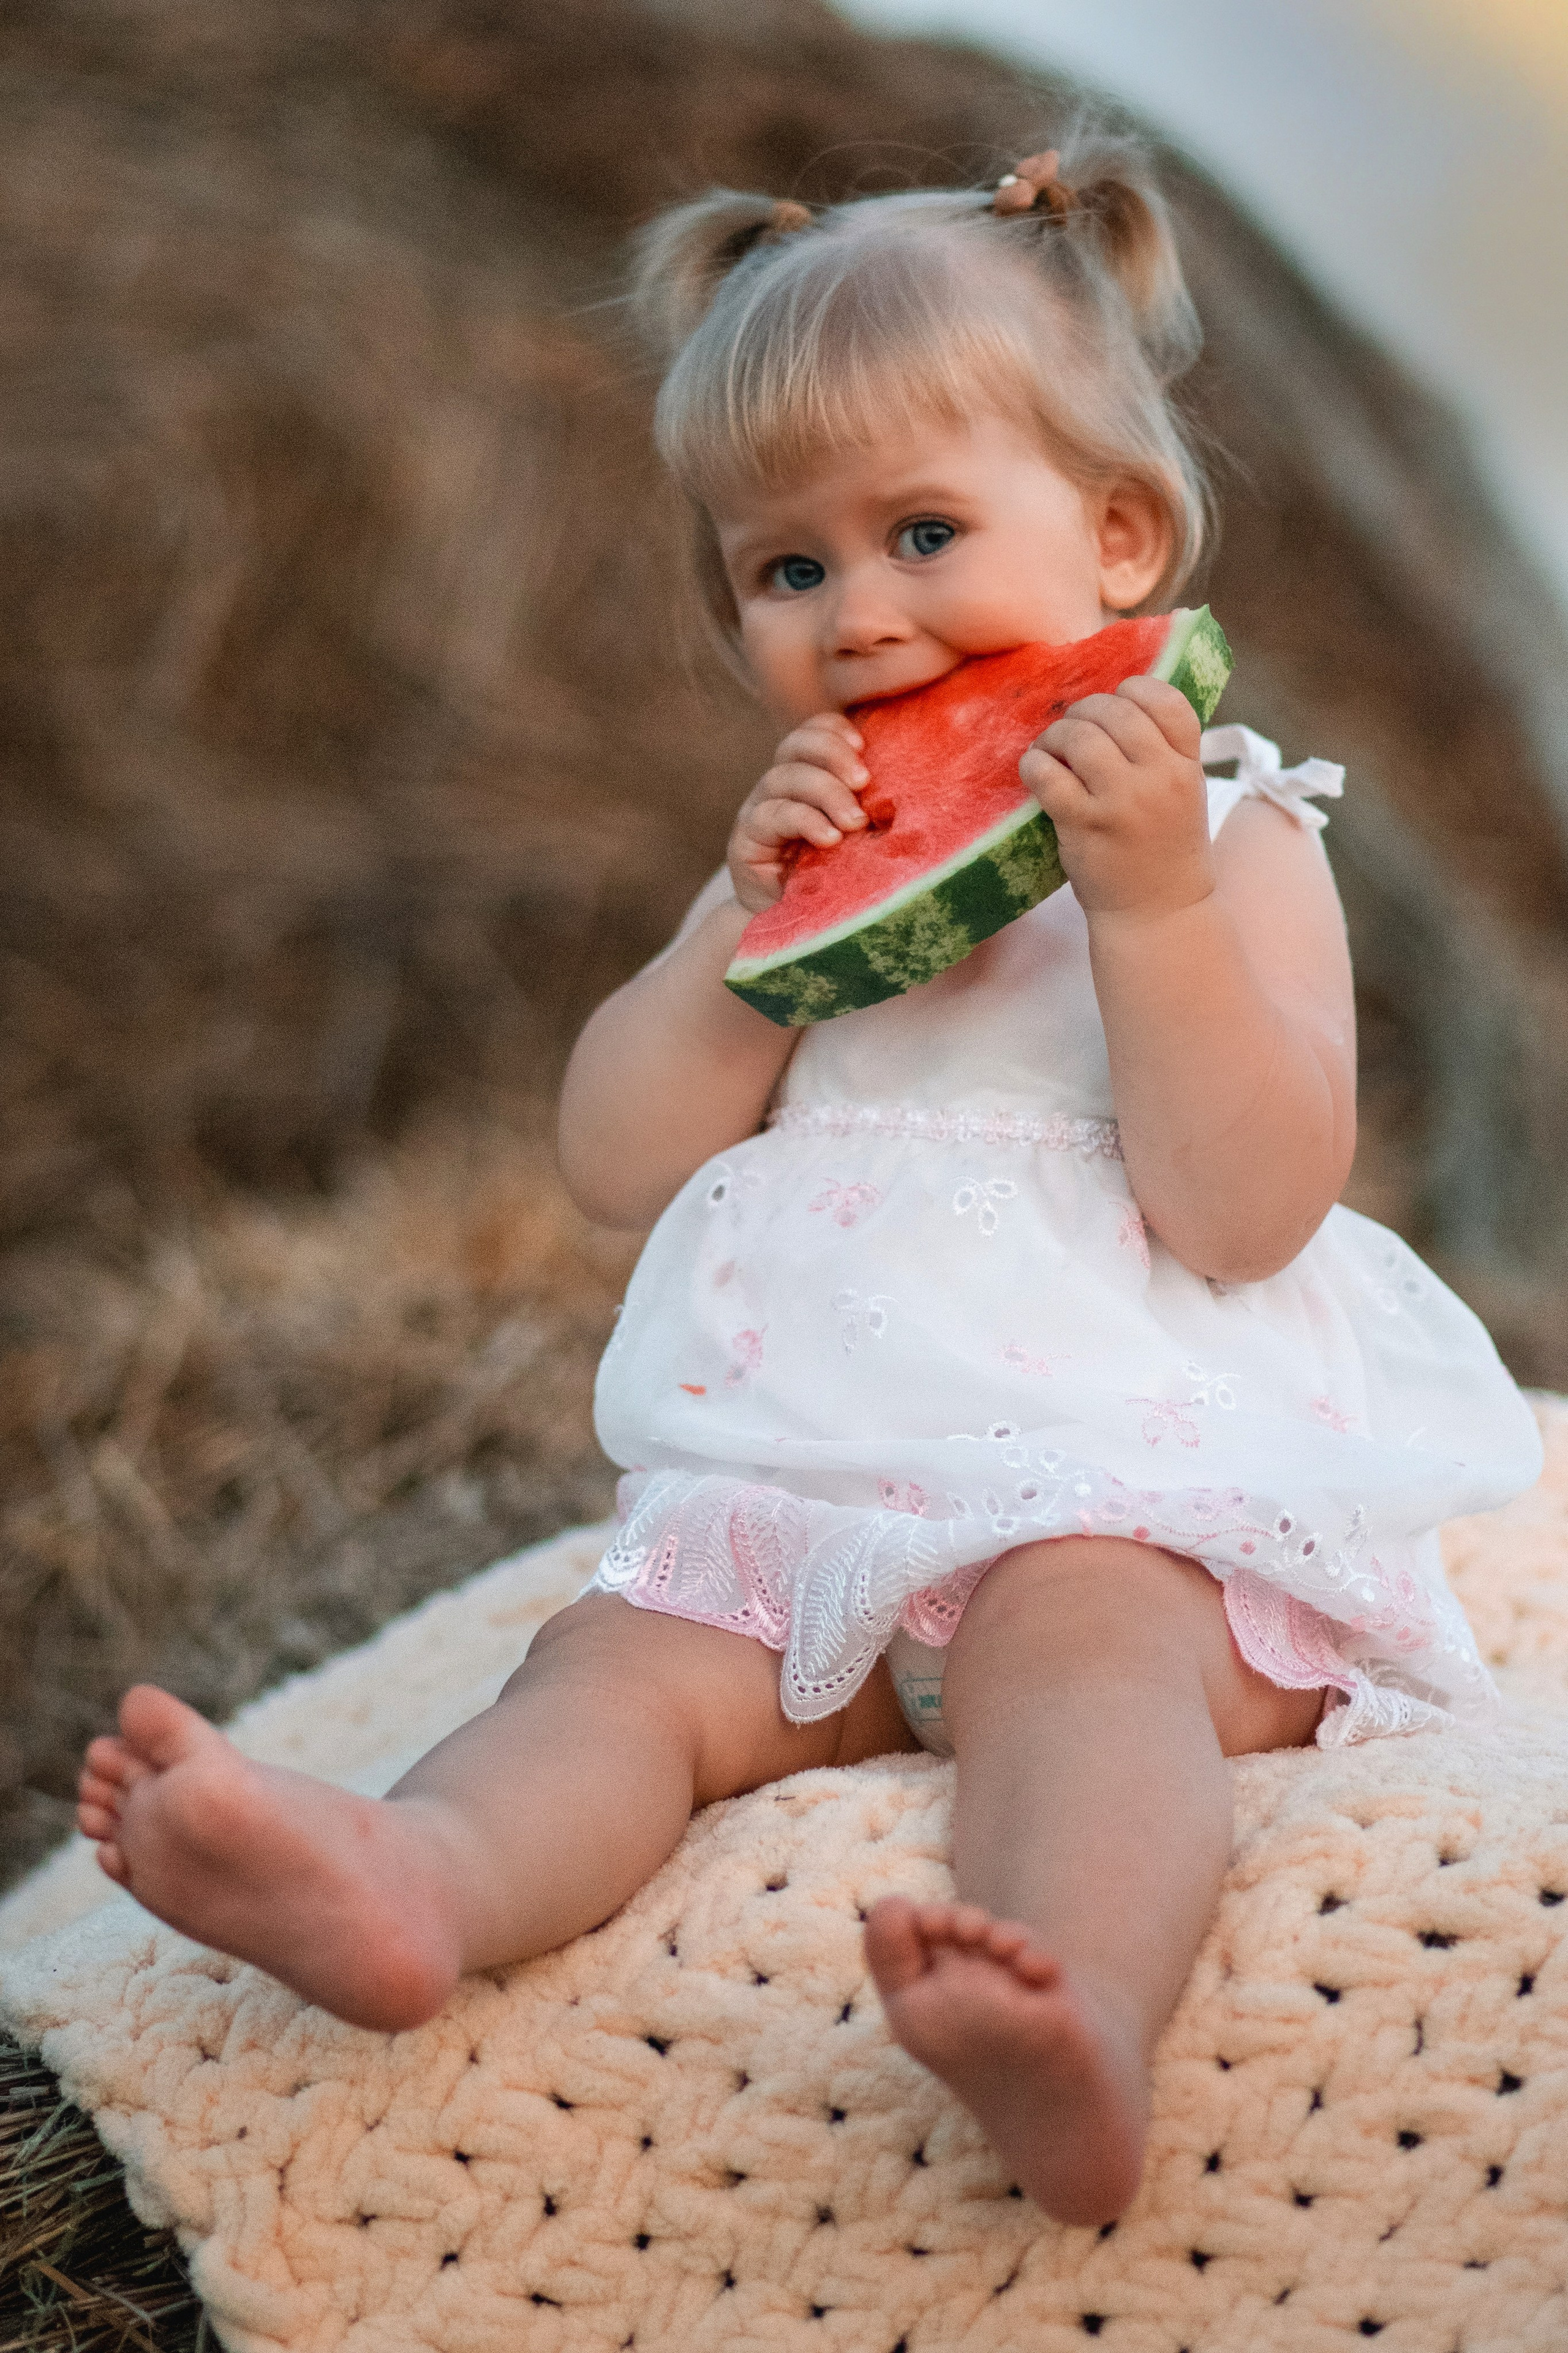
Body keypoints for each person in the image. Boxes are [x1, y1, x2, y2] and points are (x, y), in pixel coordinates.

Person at [76, 135, 1543, 2226]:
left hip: (1124, 1485)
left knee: (1087, 1660)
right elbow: (614, 1158)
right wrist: (721, 949)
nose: (859, 617)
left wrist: (1147, 914)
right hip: (813, 1499)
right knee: (616, 1676)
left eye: (923, 533)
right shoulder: (805, 862)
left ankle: (1078, 2014)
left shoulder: (1235, 838)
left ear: (1121, 538)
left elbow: (1248, 1204)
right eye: (786, 569)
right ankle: (415, 1876)